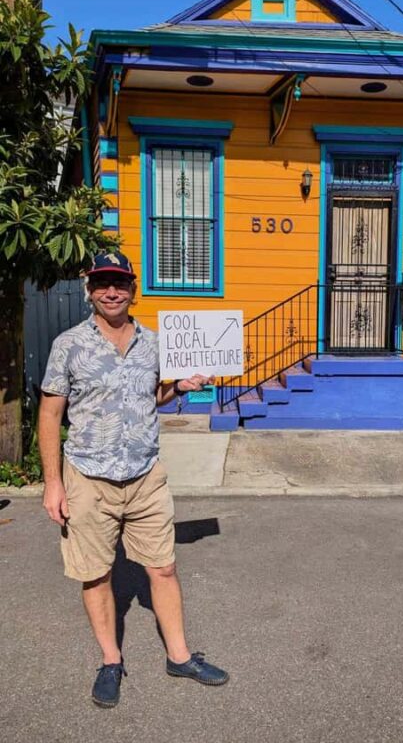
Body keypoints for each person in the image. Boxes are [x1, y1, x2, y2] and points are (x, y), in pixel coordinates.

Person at [39, 251, 228, 708]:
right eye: (103, 282)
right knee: (96, 573)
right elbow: (50, 413)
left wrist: (178, 388)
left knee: (162, 567)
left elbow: (154, 396)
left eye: (120, 282)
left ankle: (179, 656)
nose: (111, 290)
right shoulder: (69, 344)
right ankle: (110, 659)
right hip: (88, 477)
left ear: (132, 289)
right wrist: (53, 483)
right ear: (90, 289)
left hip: (145, 476)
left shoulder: (155, 343)